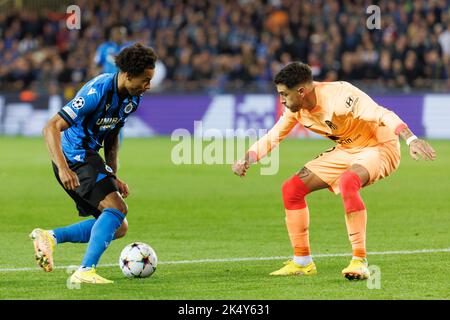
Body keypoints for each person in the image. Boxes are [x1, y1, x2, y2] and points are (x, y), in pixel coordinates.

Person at [232, 62, 436, 280]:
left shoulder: (340, 97)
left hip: (379, 146)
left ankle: (359, 261)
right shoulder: (295, 109)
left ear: (301, 91)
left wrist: (411, 139)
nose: (281, 100)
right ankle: (302, 262)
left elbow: (382, 114)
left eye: (284, 94)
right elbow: (274, 136)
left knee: (349, 181)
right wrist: (248, 158)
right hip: (347, 148)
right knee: (291, 189)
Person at [30, 43, 157, 284]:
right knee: (118, 210)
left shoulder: (132, 99)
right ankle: (85, 270)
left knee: (118, 227)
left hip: (89, 157)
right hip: (74, 156)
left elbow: (111, 136)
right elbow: (51, 127)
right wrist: (64, 167)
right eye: (146, 79)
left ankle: (50, 237)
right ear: (128, 75)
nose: (148, 86)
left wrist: (113, 175)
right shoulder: (96, 91)